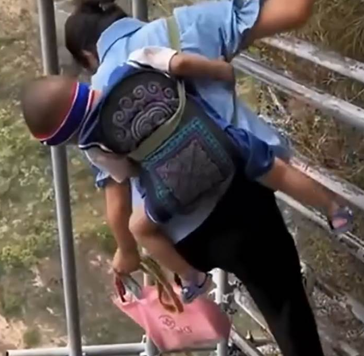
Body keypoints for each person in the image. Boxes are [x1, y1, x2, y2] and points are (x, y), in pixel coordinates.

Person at [62, 0, 354, 356]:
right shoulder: (183, 28)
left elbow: (117, 198)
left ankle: (196, 282)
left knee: (238, 275)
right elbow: (293, 9)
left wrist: (127, 250)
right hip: (238, 197)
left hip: (179, 231)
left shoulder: (94, 105)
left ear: (88, 57)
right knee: (279, 293)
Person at [21, 46, 352, 306]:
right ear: (76, 85)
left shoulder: (94, 146)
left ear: (68, 136)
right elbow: (181, 64)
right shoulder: (136, 62)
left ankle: (192, 277)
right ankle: (334, 208)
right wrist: (219, 69)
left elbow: (127, 173)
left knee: (140, 228)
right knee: (274, 170)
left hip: (175, 187)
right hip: (222, 147)